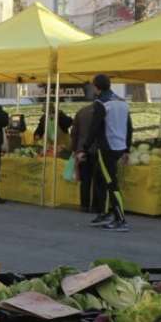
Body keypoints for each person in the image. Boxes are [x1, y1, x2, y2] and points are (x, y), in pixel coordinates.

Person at [83, 74, 134, 232]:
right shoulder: (121, 102)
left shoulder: (100, 103)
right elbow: (129, 127)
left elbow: (94, 127)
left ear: (96, 87)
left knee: (112, 184)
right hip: (119, 146)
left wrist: (84, 148)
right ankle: (104, 212)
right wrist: (127, 149)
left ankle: (120, 219)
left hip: (107, 148)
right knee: (100, 178)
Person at [70, 99, 102, 215]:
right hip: (98, 149)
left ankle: (84, 205)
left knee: (85, 180)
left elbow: (74, 133)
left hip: (82, 149)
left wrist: (74, 149)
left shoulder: (81, 112)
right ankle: (95, 206)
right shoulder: (104, 112)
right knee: (97, 180)